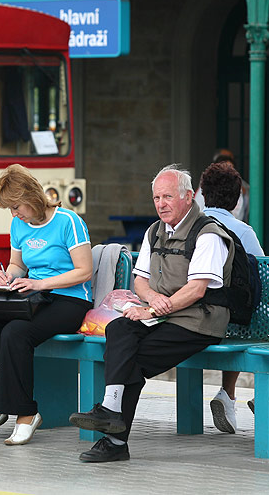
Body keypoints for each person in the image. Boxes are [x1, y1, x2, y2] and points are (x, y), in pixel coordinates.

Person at [69, 164, 234, 462]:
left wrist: (156, 307)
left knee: (129, 358)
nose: (161, 204)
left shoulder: (208, 234)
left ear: (188, 197)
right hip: (162, 316)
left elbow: (197, 290)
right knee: (118, 329)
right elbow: (140, 281)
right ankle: (111, 411)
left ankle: (115, 439)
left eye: (167, 197)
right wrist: (153, 299)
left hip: (199, 321)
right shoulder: (154, 231)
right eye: (157, 198)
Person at [0, 164, 93, 446]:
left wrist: (40, 284)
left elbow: (84, 271)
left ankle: (26, 414)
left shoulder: (68, 221)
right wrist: (7, 276)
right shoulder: (18, 225)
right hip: (32, 298)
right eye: (9, 209)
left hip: (70, 299)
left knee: (16, 332)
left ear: (31, 196)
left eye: (15, 207)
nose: (14, 214)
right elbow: (18, 265)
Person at [199, 161, 267, 434]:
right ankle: (264, 397)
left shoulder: (188, 226)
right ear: (237, 199)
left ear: (203, 194)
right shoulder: (243, 231)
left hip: (193, 312)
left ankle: (228, 396)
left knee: (236, 318)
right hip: (232, 318)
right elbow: (266, 277)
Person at [194, 148, 250, 222]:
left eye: (231, 169)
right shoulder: (205, 188)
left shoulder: (237, 188)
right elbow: (197, 212)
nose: (228, 172)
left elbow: (239, 214)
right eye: (224, 169)